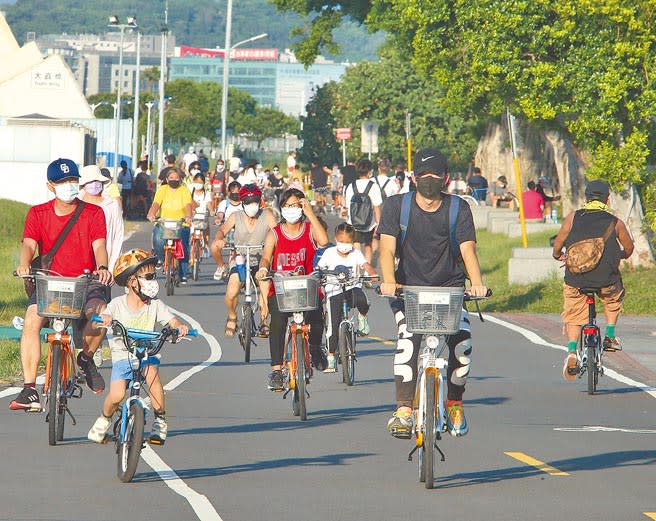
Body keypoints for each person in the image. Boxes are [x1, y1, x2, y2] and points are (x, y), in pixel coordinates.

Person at [378, 147, 488, 438]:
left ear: (446, 179)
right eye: (423, 175)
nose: (429, 180)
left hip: (450, 290)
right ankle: (403, 409)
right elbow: (386, 249)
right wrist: (388, 281)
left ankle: (454, 402)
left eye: (435, 175)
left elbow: (468, 250)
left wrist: (476, 284)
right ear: (414, 178)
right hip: (406, 290)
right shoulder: (395, 207)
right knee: (407, 340)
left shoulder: (458, 208)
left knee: (462, 344)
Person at [10, 159, 113, 411]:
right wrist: (24, 264)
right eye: (62, 182)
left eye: (73, 180)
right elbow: (29, 244)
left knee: (99, 314)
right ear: (50, 185)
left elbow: (99, 245)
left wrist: (102, 268)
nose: (69, 185)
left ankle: (86, 359)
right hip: (49, 281)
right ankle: (29, 389)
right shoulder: (38, 213)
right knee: (32, 319)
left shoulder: (93, 213)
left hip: (85, 281)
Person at [87, 249, 190, 445]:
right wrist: (105, 319)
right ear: (132, 281)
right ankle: (104, 419)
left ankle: (160, 419)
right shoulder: (117, 305)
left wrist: (179, 327)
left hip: (146, 356)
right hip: (122, 357)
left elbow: (171, 320)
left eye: (154, 277)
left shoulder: (155, 305)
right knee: (116, 395)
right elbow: (101, 319)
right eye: (149, 277)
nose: (153, 282)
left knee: (152, 375)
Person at [551, 180, 634, 380]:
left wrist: (557, 255)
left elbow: (558, 243)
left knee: (573, 313)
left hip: (576, 280)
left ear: (586, 198)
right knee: (613, 299)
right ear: (607, 199)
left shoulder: (573, 218)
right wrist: (620, 256)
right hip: (606, 280)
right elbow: (629, 248)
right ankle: (610, 336)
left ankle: (572, 351)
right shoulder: (615, 223)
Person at [256, 188, 330, 390]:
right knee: (277, 323)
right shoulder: (275, 234)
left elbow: (323, 241)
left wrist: (310, 213)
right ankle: (277, 370)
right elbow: (266, 256)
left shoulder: (308, 228)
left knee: (316, 317)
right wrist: (264, 268)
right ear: (281, 208)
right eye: (288, 206)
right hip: (282, 290)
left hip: (307, 286)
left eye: (296, 205)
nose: (292, 210)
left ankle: (315, 348)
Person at [211, 184, 277, 336]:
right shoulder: (236, 216)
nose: (251, 205)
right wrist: (220, 239)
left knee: (265, 290)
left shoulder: (267, 215)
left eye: (254, 201)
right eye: (247, 202)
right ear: (242, 203)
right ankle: (233, 316)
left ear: (260, 202)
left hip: (262, 259)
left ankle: (264, 321)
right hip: (240, 258)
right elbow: (222, 231)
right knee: (231, 292)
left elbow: (277, 233)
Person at [317, 223, 377, 372]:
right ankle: (331, 357)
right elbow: (319, 268)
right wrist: (319, 276)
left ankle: (362, 319)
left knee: (363, 301)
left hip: (352, 288)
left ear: (352, 241)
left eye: (347, 242)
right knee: (333, 325)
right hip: (334, 292)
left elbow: (365, 265)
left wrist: (371, 272)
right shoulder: (329, 253)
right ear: (336, 239)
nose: (344, 245)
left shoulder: (356, 253)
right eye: (341, 241)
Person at [147, 168, 193, 284]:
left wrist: (188, 216)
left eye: (176, 178)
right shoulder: (162, 189)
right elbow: (156, 203)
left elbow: (188, 204)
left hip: (181, 223)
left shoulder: (184, 190)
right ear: (167, 179)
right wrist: (152, 213)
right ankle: (163, 260)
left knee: (183, 247)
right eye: (171, 178)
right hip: (164, 223)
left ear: (180, 179)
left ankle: (183, 273)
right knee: (157, 239)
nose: (174, 180)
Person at [79, 165, 124, 272]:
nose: (94, 184)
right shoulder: (74, 204)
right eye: (90, 181)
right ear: (83, 184)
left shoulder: (111, 205)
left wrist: (113, 266)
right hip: (77, 265)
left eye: (96, 180)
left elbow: (118, 235)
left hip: (103, 267)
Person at [344, 158, 383, 264]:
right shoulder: (373, 186)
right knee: (368, 245)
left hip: (353, 221)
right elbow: (376, 207)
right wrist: (379, 224)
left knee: (356, 243)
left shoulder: (351, 186)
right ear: (369, 171)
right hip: (369, 222)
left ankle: (357, 269)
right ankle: (367, 271)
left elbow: (348, 206)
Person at [190, 172, 214, 250]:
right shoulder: (190, 192)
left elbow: (209, 203)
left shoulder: (206, 194)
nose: (198, 184)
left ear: (204, 183)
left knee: (206, 226)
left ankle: (206, 245)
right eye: (196, 182)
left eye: (200, 182)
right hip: (191, 216)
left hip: (202, 215)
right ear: (193, 181)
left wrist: (211, 211)